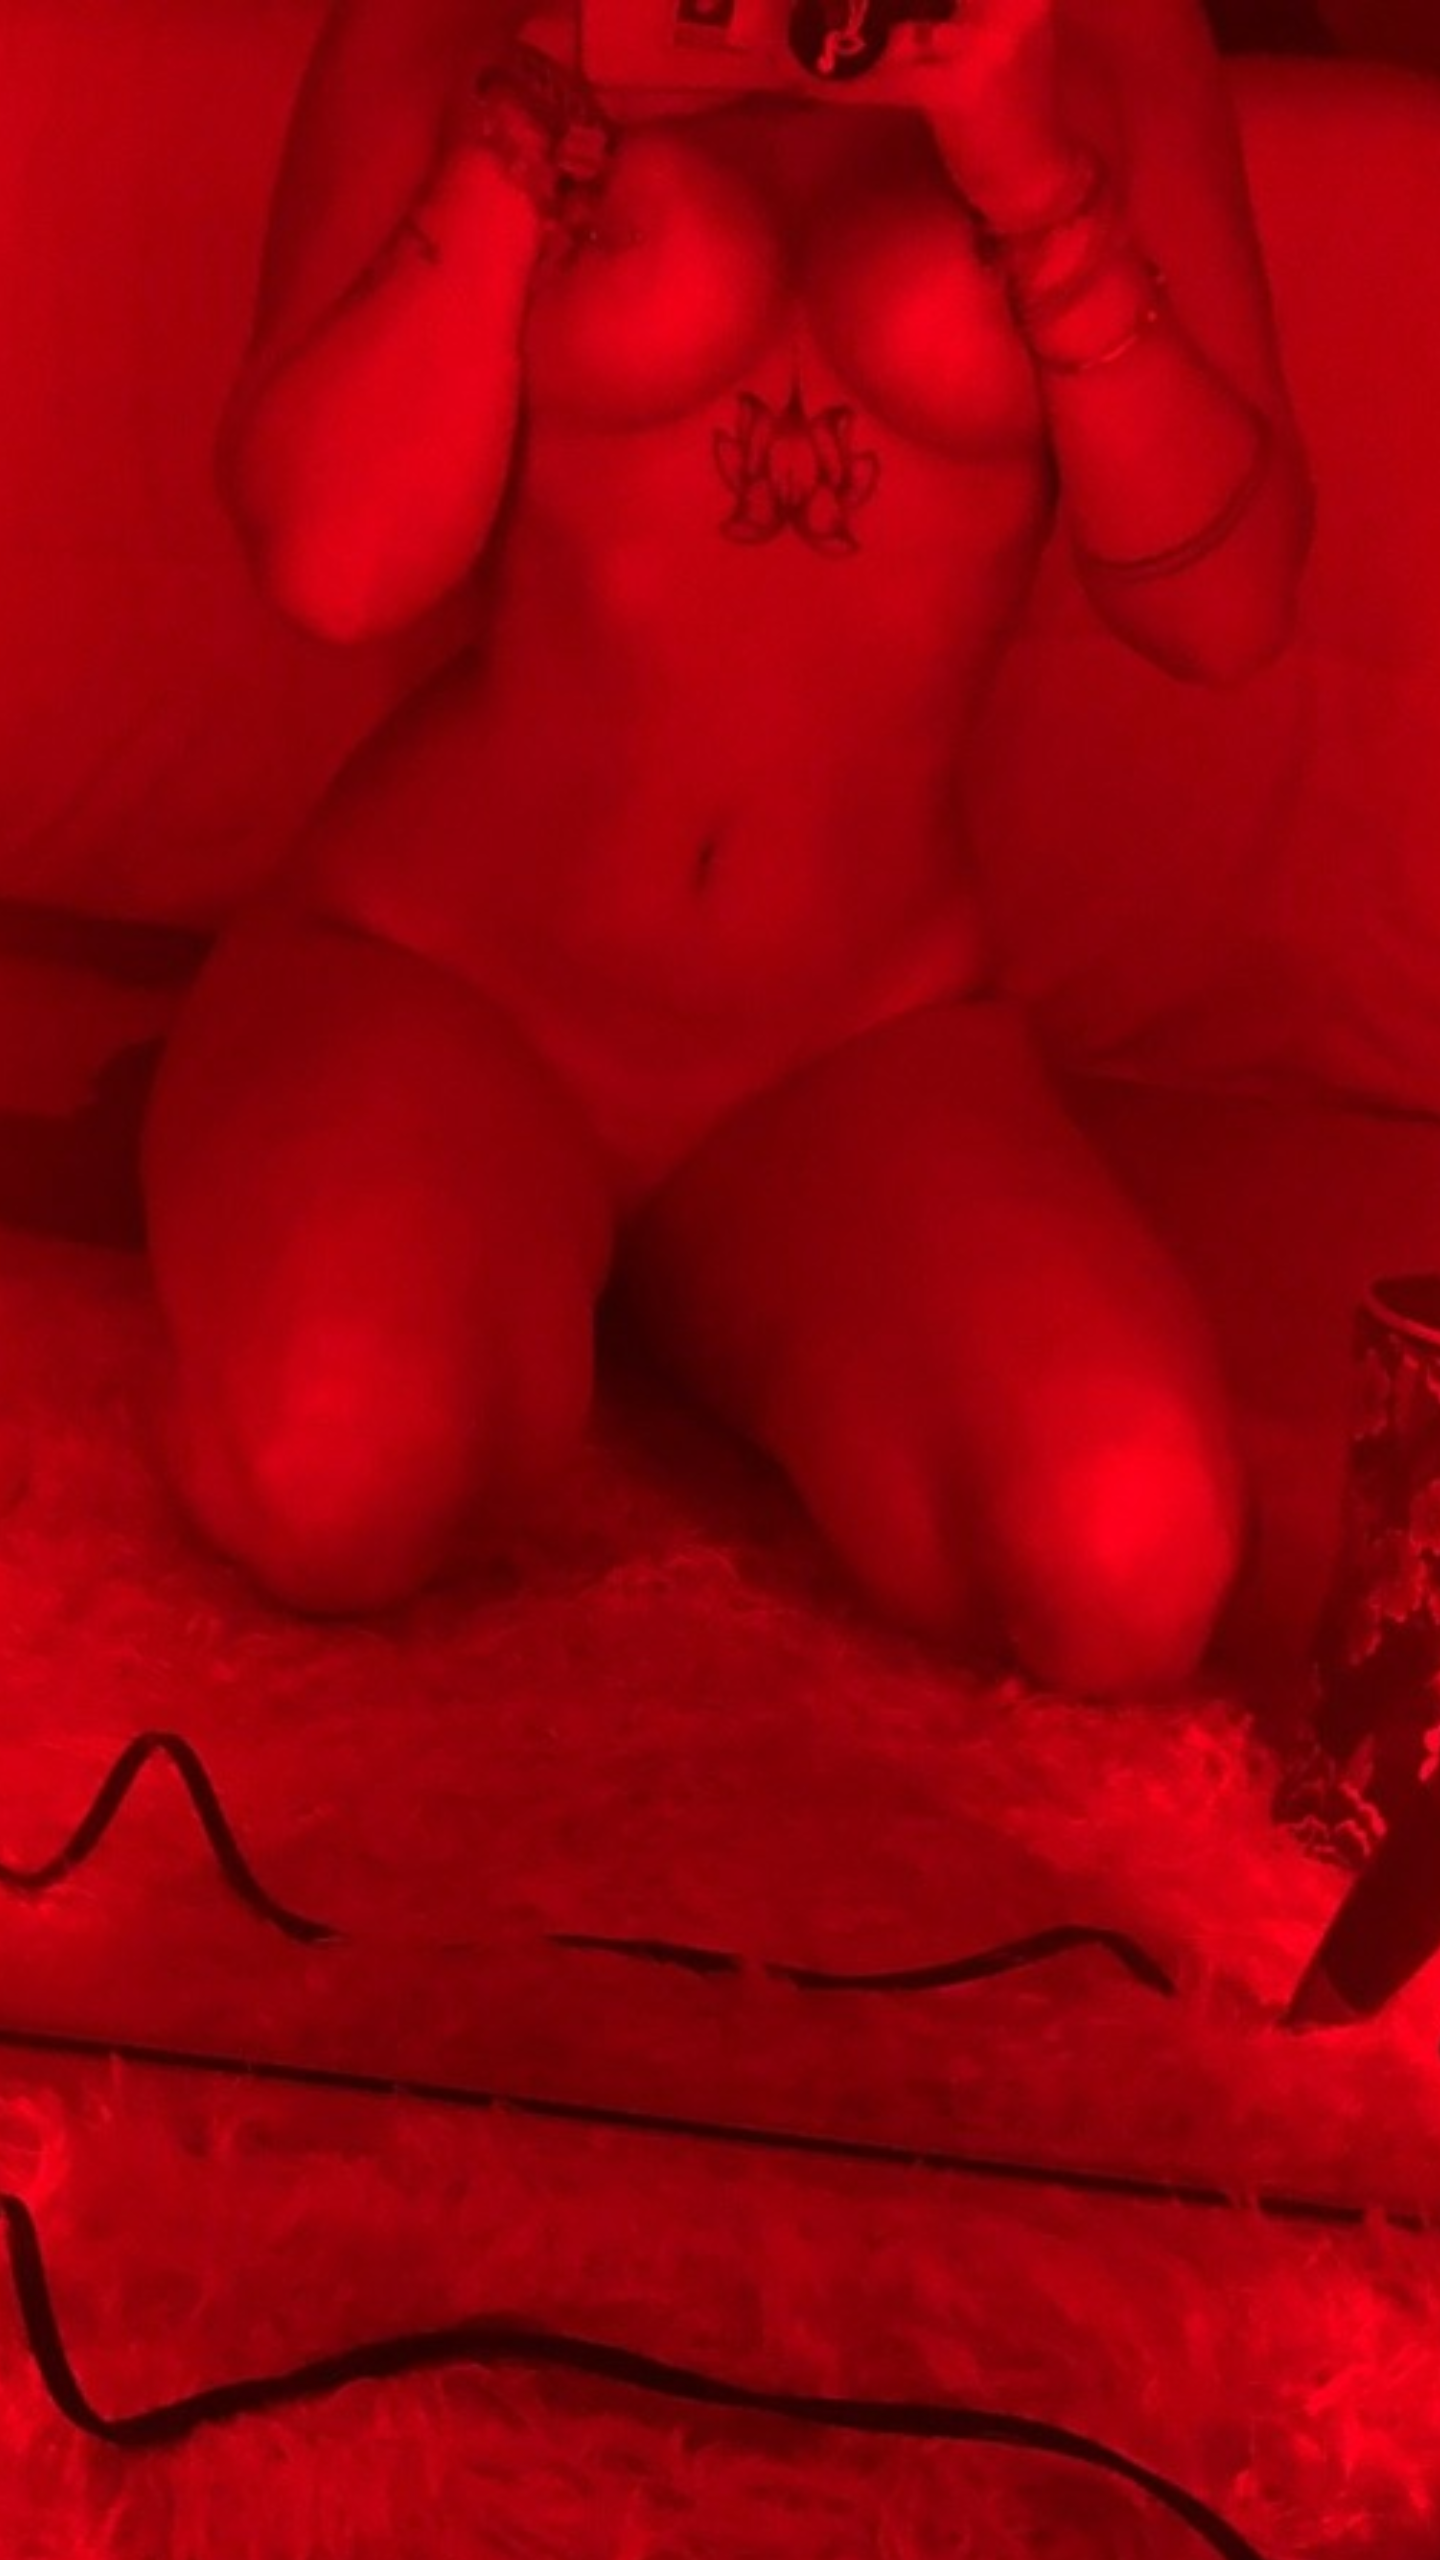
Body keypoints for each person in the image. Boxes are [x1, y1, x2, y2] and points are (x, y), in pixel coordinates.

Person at [143, 0, 1313, 1691]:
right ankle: (406, 1213)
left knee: (1125, 1564)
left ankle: (650, 1284)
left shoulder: (1111, 34)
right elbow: (333, 565)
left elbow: (1229, 610)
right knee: (341, 1473)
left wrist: (1033, 181)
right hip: (448, 968)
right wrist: (536, 104)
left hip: (852, 1038)